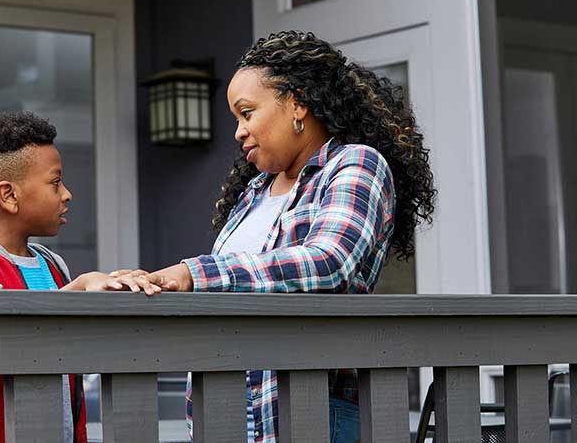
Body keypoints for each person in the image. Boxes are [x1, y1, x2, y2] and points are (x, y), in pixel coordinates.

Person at [109, 31, 437, 443]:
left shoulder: (355, 165)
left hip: (305, 408)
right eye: (236, 119)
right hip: (227, 404)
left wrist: (194, 273)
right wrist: (153, 284)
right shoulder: (254, 192)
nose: (239, 132)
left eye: (247, 113)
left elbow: (329, 262)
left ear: (297, 103)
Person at [0, 111, 134, 443]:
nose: (67, 194)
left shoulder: (53, 265)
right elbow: (1, 329)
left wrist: (118, 287)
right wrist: (80, 288)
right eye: (55, 182)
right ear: (9, 195)